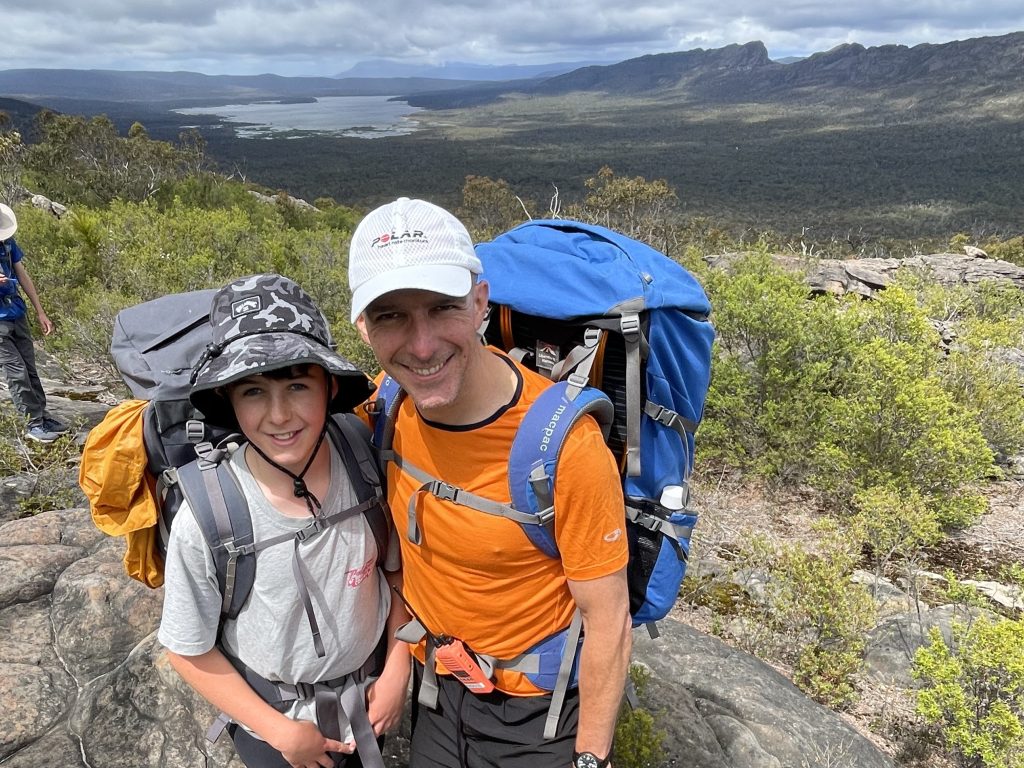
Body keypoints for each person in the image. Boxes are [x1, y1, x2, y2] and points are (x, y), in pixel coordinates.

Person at [348, 198, 631, 768]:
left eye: (442, 308)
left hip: (537, 715)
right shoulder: (386, 405)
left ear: (480, 302)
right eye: (391, 316)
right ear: (362, 327)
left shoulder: (565, 448)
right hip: (437, 685)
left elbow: (609, 620)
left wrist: (591, 759)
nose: (421, 345)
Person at [158, 274, 410, 768]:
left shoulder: (363, 461)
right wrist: (279, 733)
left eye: (297, 384)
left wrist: (400, 662)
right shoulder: (211, 518)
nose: (278, 415)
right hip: (277, 723)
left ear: (329, 386)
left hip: (373, 694)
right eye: (252, 391)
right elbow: (187, 649)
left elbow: (396, 570)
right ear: (228, 400)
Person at [0, 202, 68, 442]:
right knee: (16, 373)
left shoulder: (8, 245)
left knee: (30, 369)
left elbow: (22, 275)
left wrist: (40, 311)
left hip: (17, 315)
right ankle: (33, 424)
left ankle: (42, 415)